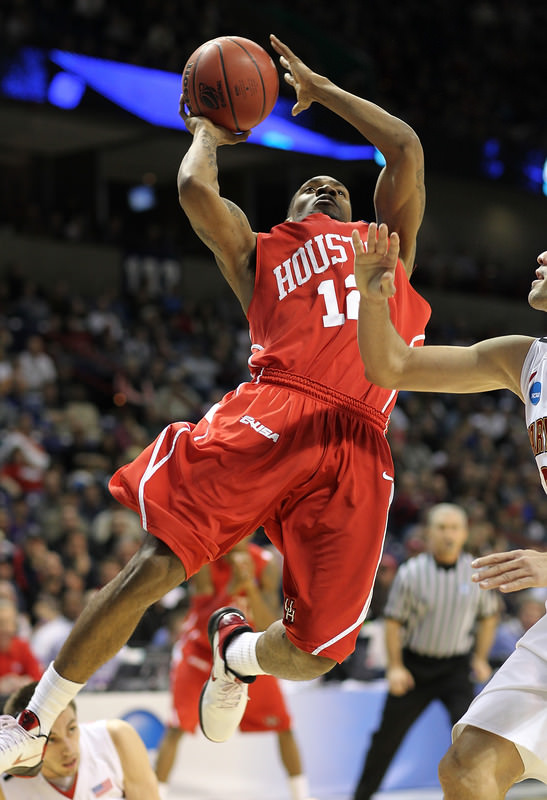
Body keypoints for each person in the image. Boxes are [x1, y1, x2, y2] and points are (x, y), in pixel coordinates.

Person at [0, 33, 429, 774]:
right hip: (276, 409)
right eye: (311, 185)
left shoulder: (383, 243)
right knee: (157, 564)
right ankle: (35, 719)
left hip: (360, 439)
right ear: (290, 206)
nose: (327, 185)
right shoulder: (261, 250)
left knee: (313, 654)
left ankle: (235, 652)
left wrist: (323, 92)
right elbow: (197, 191)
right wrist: (205, 125)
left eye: (338, 185)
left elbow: (405, 149)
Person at [354, 229, 547, 797]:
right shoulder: (527, 359)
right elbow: (392, 367)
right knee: (466, 767)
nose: (539, 255)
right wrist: (370, 297)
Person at [351, 503, 499, 800]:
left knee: (472, 740)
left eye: (454, 528)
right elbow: (393, 622)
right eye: (441, 528)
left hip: (456, 668)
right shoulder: (410, 572)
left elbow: (489, 616)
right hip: (415, 666)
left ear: (464, 533)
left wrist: (480, 658)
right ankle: (361, 796)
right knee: (385, 740)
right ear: (428, 534)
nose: (448, 534)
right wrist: (395, 666)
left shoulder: (476, 573)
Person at [155, 536, 317, 800]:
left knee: (284, 725)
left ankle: (302, 796)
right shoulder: (207, 560)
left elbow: (268, 625)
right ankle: (154, 795)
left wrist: (249, 588)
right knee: (176, 728)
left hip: (245, 651)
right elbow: (206, 618)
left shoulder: (265, 564)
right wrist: (232, 587)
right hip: (200, 653)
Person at [0, 682, 160, 799]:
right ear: (23, 744)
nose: (69, 749)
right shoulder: (5, 785)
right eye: (51, 740)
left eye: (72, 729)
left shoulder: (116, 737)